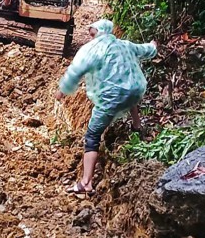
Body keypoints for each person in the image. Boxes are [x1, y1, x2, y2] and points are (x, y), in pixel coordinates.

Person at [55, 19, 157, 196]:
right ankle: (137, 126)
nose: (91, 36)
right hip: (136, 89)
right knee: (129, 95)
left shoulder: (93, 49)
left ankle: (86, 183)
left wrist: (63, 90)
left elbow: (76, 70)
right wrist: (153, 46)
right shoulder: (124, 44)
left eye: (92, 33)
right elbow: (145, 49)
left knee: (92, 135)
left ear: (99, 32)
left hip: (112, 96)